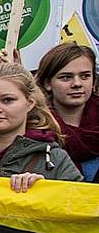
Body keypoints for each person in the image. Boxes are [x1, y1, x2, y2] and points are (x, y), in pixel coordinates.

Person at [0, 63, 81, 189]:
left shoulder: (55, 159)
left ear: (29, 103)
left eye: (7, 100)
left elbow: (81, 205)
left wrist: (46, 190)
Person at [34, 41, 99, 180]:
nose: (77, 84)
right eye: (66, 77)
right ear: (47, 83)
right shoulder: (32, 128)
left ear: (94, 82)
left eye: (85, 76)